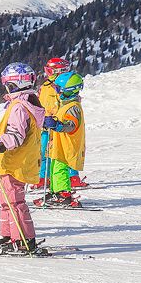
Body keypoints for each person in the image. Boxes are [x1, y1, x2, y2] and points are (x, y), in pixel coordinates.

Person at [0, 62, 45, 254]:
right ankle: (8, 235)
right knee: (5, 201)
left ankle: (24, 240)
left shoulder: (19, 107)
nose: (5, 87)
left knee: (15, 202)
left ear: (14, 84)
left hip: (15, 162)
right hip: (12, 163)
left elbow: (16, 135)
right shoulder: (26, 102)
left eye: (7, 83)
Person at [37, 71, 86, 208]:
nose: (57, 92)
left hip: (66, 145)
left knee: (60, 169)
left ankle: (63, 193)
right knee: (54, 168)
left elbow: (71, 125)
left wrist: (57, 125)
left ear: (69, 90)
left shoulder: (73, 107)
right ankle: (55, 191)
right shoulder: (65, 104)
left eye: (58, 89)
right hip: (58, 145)